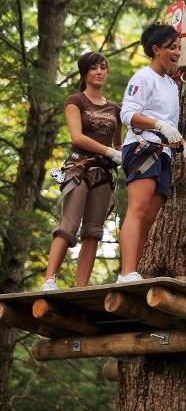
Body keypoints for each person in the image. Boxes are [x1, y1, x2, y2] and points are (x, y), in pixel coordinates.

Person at [118, 24, 186, 283]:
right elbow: (127, 114)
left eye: (179, 48)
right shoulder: (143, 77)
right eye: (172, 48)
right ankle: (127, 273)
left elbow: (170, 125)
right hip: (143, 148)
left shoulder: (171, 85)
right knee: (138, 211)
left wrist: (183, 145)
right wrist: (157, 125)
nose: (177, 53)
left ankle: (133, 271)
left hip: (163, 153)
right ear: (156, 49)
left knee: (149, 218)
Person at [40, 52, 123, 290]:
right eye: (94, 68)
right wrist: (110, 153)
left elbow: (117, 144)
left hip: (103, 175)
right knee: (68, 226)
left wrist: (119, 155)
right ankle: (49, 280)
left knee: (94, 231)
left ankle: (81, 288)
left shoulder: (114, 109)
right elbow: (77, 137)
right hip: (78, 169)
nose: (99, 72)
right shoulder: (75, 101)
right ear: (85, 72)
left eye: (103, 67)